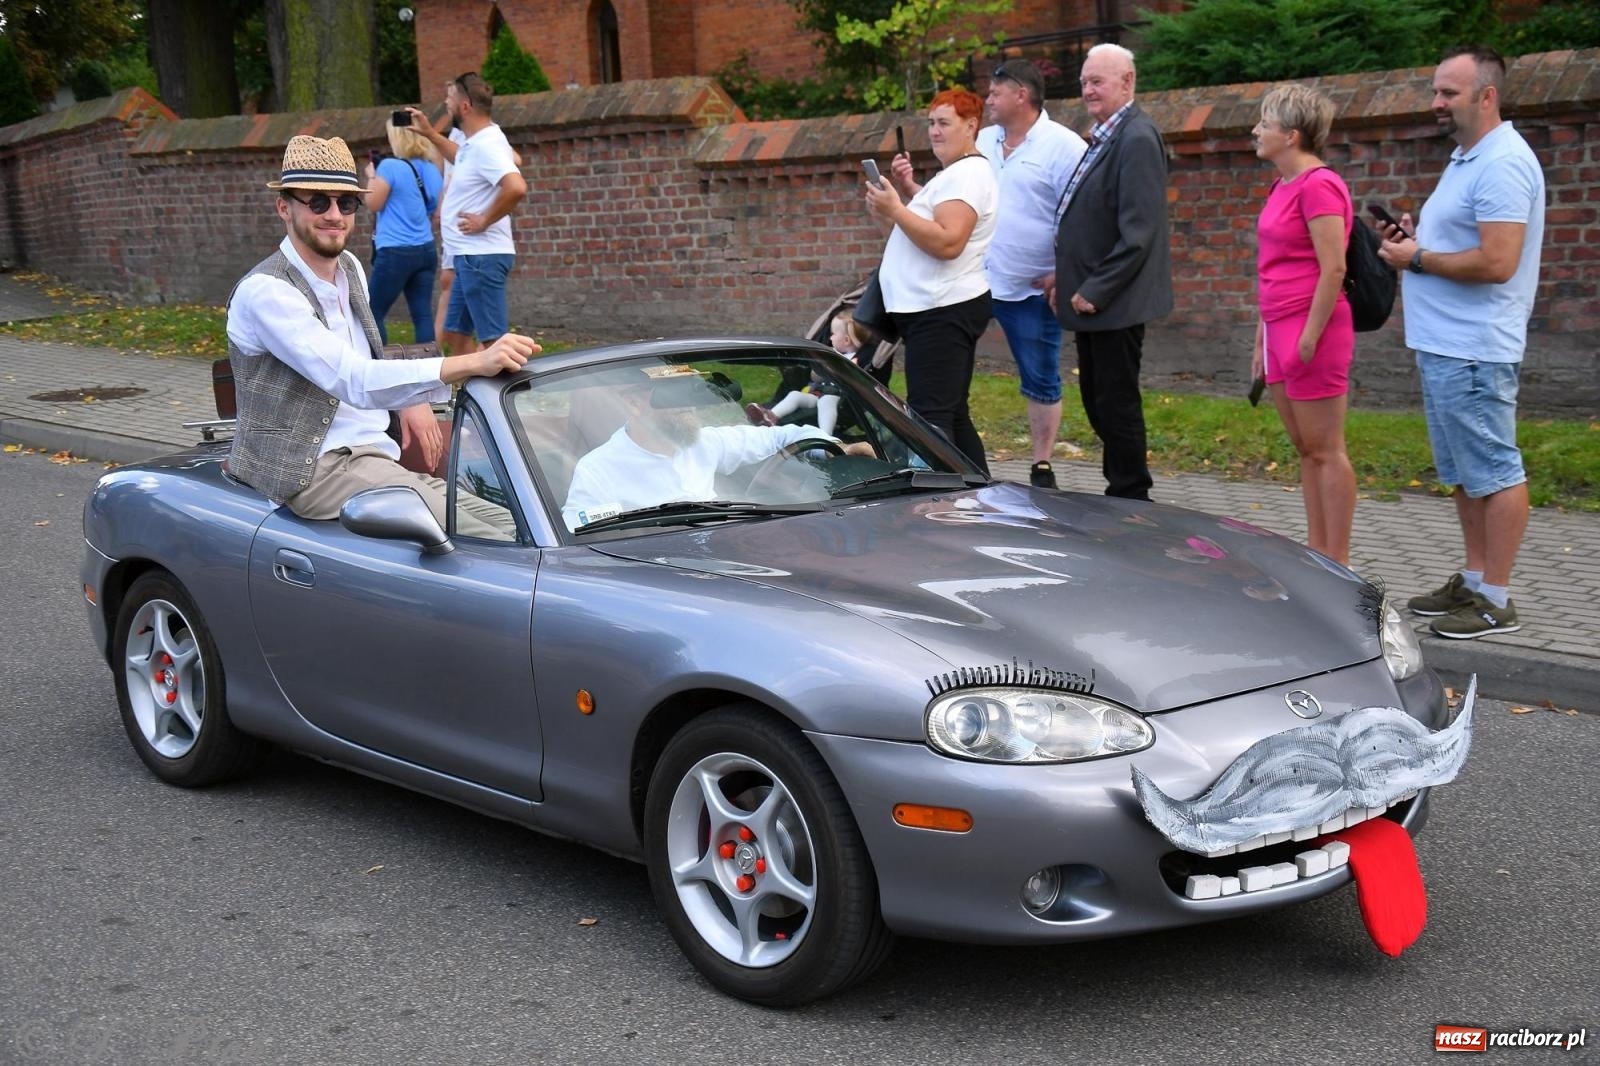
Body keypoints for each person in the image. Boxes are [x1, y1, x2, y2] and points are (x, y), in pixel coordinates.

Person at [225, 135, 539, 537]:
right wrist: (474, 362)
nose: (334, 214)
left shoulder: (350, 267)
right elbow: (352, 378)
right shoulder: (267, 292)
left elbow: (365, 354)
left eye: (347, 202)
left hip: (374, 457)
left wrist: (410, 400)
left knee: (518, 524)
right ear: (284, 207)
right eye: (318, 202)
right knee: (489, 539)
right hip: (313, 470)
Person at [1376, 45, 1545, 639]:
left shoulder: (1502, 162)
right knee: (1465, 471)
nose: (1437, 102)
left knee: (1494, 469)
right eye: (1436, 91)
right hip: (1447, 344)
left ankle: (1496, 598)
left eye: (1449, 92)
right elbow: (1466, 238)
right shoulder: (1467, 158)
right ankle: (1474, 582)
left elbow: (1498, 261)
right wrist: (1419, 239)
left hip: (1476, 346)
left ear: (1486, 95)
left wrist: (1415, 257)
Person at [1047, 43, 1173, 501]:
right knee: (1099, 400)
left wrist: (1095, 288)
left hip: (1114, 302)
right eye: (1084, 81)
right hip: (1091, 298)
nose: (1087, 90)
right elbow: (1089, 219)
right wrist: (1065, 276)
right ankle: (1121, 489)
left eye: (1097, 81)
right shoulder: (1106, 134)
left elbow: (1139, 231)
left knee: (1115, 403)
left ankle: (1131, 495)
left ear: (1128, 82)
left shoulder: (1137, 138)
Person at [1250, 83, 1357, 564]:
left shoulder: (1320, 185)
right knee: (1304, 447)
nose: (1256, 130)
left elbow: (1333, 268)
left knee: (1326, 448)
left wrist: (1310, 338)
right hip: (1277, 327)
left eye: (1266, 124)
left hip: (1312, 328)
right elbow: (1271, 265)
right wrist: (1262, 338)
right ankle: (1319, 552)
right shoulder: (1282, 185)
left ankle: (1338, 558)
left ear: (1292, 135)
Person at [868, 87, 998, 477]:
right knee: (952, 412)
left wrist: (895, 208)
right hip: (934, 308)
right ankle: (979, 493)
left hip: (942, 310)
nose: (935, 131)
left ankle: (942, 506)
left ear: (971, 126)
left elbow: (948, 242)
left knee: (930, 417)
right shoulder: (954, 175)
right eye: (931, 123)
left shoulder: (969, 174)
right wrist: (888, 211)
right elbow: (914, 236)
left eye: (944, 123)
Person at [562, 376, 873, 530]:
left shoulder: (705, 443)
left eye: (694, 395)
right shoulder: (598, 469)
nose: (692, 408)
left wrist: (839, 448)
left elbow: (787, 435)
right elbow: (576, 535)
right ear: (634, 404)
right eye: (677, 398)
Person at [977, 59, 1086, 489]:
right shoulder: (984, 140)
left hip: (1033, 288)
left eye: (995, 93)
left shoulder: (1064, 147)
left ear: (1021, 94)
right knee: (949, 364)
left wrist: (1065, 271)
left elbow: (1080, 216)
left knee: (1040, 375)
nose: (988, 100)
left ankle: (1041, 463)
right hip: (977, 279)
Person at [406, 72, 526, 349]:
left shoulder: (487, 145)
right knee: (456, 334)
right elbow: (458, 157)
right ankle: (473, 389)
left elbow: (516, 186)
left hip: (482, 257)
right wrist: (429, 134)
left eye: (450, 99)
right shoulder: (475, 143)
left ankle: (512, 391)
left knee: (495, 341)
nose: (446, 105)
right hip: (468, 257)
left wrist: (484, 220)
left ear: (465, 106)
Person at [362, 115, 444, 344]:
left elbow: (373, 203)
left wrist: (371, 177)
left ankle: (379, 368)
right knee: (423, 315)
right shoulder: (431, 168)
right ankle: (430, 370)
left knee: (371, 313)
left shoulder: (389, 166)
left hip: (395, 252)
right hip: (425, 250)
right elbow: (431, 207)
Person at [749, 313, 870, 435]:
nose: (830, 338)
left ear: (846, 340)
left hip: (837, 396)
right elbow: (815, 376)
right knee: (795, 395)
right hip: (818, 392)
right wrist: (819, 370)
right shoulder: (832, 355)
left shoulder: (853, 360)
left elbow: (848, 378)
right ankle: (770, 417)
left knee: (826, 402)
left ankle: (826, 436)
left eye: (833, 334)